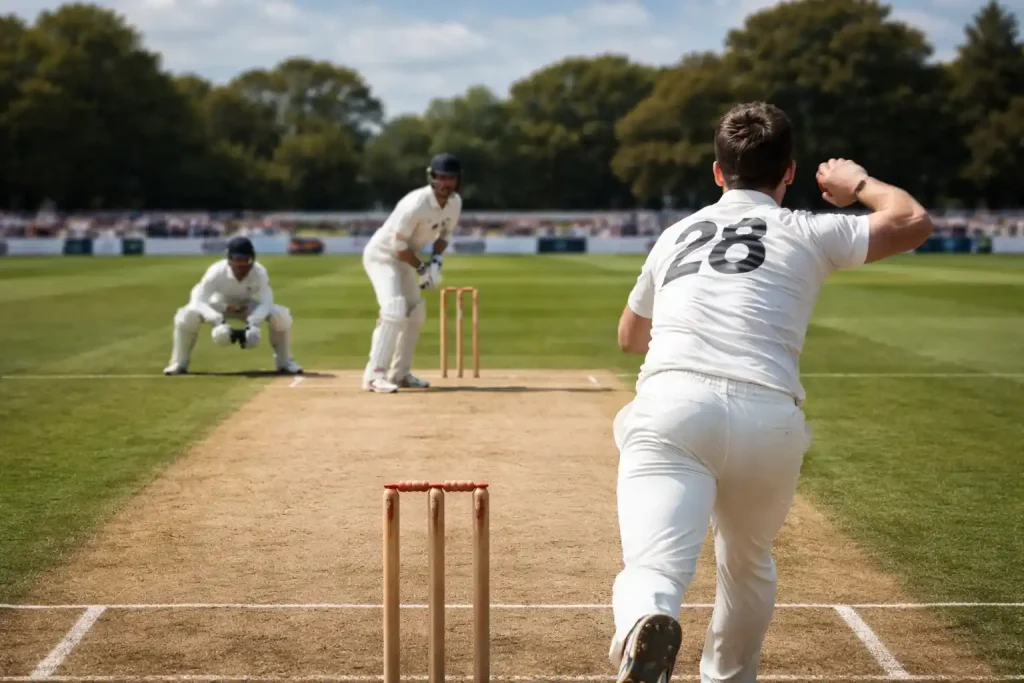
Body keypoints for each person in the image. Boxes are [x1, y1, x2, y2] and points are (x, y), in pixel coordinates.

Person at [610, 101, 933, 683]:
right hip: (768, 417)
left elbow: (629, 337)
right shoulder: (810, 228)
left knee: (653, 564)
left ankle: (646, 621)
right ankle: (728, 678)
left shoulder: (675, 235)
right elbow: (912, 221)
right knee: (747, 562)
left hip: (673, 407)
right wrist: (855, 182)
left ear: (716, 172)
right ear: (789, 172)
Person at [360, 152, 462, 393]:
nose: (446, 183)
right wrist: (423, 269)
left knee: (416, 313)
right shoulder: (415, 203)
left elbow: (444, 235)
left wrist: (436, 262)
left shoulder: (455, 203)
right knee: (394, 308)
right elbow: (398, 246)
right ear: (432, 177)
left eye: (451, 178)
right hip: (383, 256)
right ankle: (374, 376)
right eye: (441, 177)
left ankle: (399, 374)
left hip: (406, 259)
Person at [163, 236, 302, 375]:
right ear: (229, 259)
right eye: (237, 260)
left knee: (281, 315)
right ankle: (178, 363)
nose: (241, 265)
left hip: (246, 306)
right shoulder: (216, 271)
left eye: (245, 260)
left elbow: (267, 302)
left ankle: (285, 362)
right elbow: (197, 299)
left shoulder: (259, 272)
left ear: (252, 259)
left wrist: (254, 323)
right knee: (187, 315)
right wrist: (217, 320)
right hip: (220, 305)